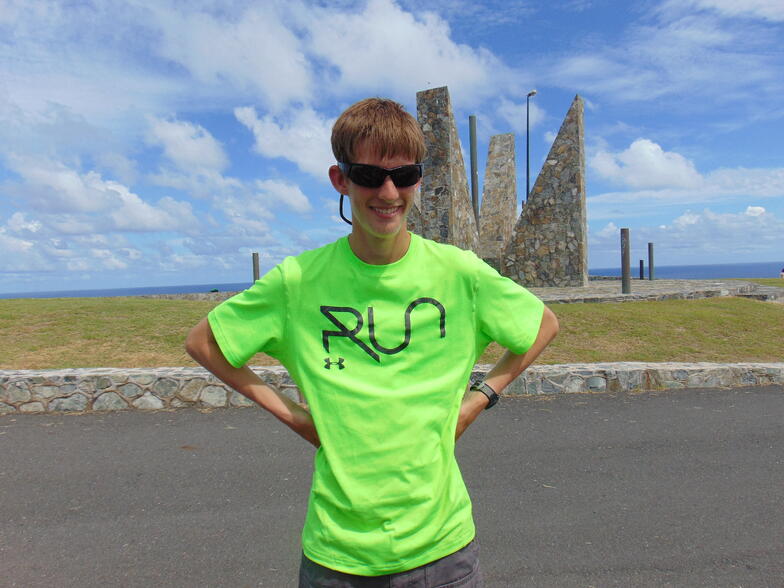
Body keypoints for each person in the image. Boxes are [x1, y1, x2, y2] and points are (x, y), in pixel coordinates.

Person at [185, 97, 559, 587]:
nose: (388, 192)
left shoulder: (458, 273)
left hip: (444, 551)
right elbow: (205, 342)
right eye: (369, 175)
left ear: (419, 180)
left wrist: (479, 399)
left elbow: (542, 324)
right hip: (338, 556)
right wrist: (296, 417)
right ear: (340, 179)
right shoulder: (298, 281)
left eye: (404, 176)